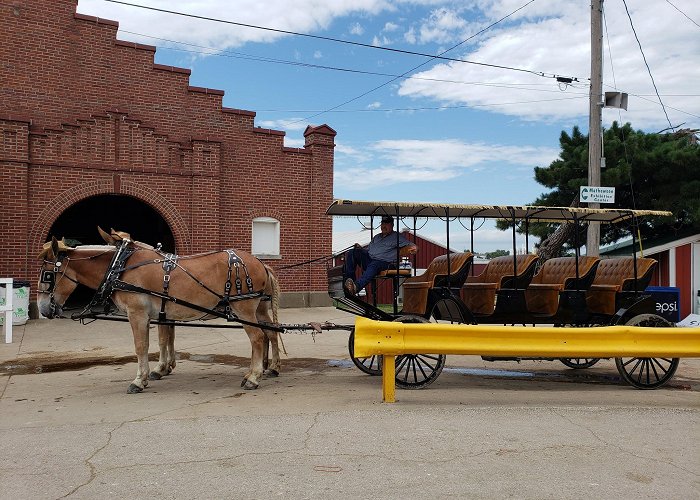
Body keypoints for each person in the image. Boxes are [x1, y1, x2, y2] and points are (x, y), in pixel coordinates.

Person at [343, 215, 417, 295]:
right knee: (353, 252)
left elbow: (411, 245)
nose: (384, 226)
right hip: (371, 260)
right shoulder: (376, 237)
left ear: (392, 225)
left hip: (386, 263)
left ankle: (357, 286)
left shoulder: (397, 237)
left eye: (386, 224)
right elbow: (369, 251)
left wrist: (413, 248)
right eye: (382, 224)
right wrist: (360, 249)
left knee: (374, 264)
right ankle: (349, 285)